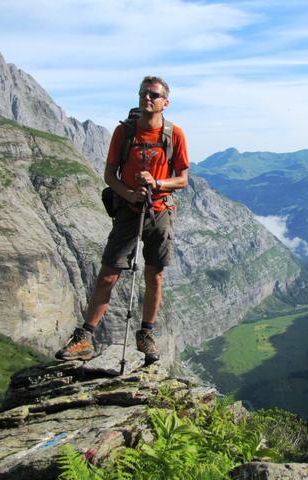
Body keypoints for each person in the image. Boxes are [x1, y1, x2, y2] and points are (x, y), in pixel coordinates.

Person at [55, 75, 189, 364]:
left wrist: (156, 183)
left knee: (154, 275)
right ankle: (85, 337)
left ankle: (146, 333)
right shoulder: (124, 132)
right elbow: (109, 175)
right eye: (143, 93)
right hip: (129, 210)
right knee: (109, 273)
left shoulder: (175, 135)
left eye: (153, 95)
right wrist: (129, 194)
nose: (147, 98)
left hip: (160, 210)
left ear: (165, 102)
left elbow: (182, 179)